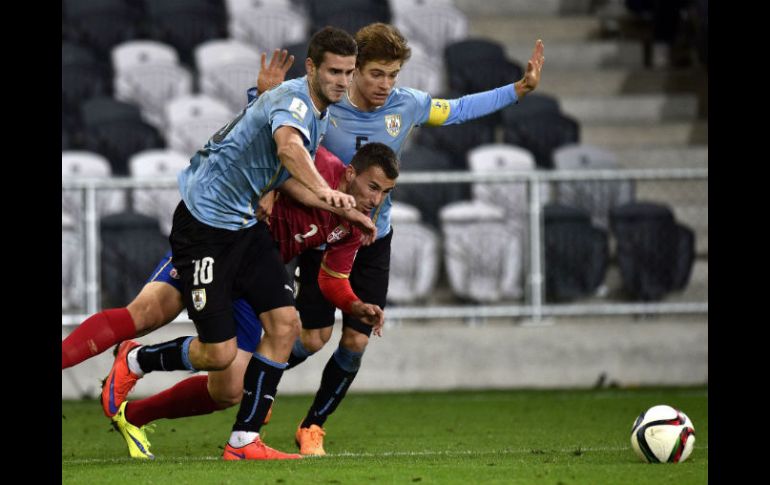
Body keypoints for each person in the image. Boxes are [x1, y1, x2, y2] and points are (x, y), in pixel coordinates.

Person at [248, 23, 545, 456]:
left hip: (372, 238)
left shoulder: (408, 105)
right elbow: (274, 129)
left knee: (356, 338)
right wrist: (261, 111)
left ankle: (312, 426)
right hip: (324, 234)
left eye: (392, 74)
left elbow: (459, 108)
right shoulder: (323, 100)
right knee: (312, 339)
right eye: (375, 74)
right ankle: (263, 379)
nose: (385, 85)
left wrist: (518, 89)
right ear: (353, 72)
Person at [98, 26, 360, 461]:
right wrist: (326, 190)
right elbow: (288, 149)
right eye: (335, 71)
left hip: (244, 228)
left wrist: (343, 210)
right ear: (312, 67)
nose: (343, 81)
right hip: (206, 229)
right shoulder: (296, 102)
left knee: (285, 325)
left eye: (349, 72)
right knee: (217, 354)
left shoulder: (316, 109)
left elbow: (272, 154)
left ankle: (244, 441)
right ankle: (136, 361)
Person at [107, 142, 398, 460]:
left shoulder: (354, 223)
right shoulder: (319, 162)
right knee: (149, 314)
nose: (376, 200)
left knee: (228, 387)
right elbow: (272, 152)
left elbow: (332, 279)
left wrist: (355, 306)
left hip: (259, 272)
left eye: (385, 192)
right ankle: (138, 362)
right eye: (373, 187)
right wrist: (270, 189)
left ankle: (138, 407)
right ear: (351, 173)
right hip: (222, 244)